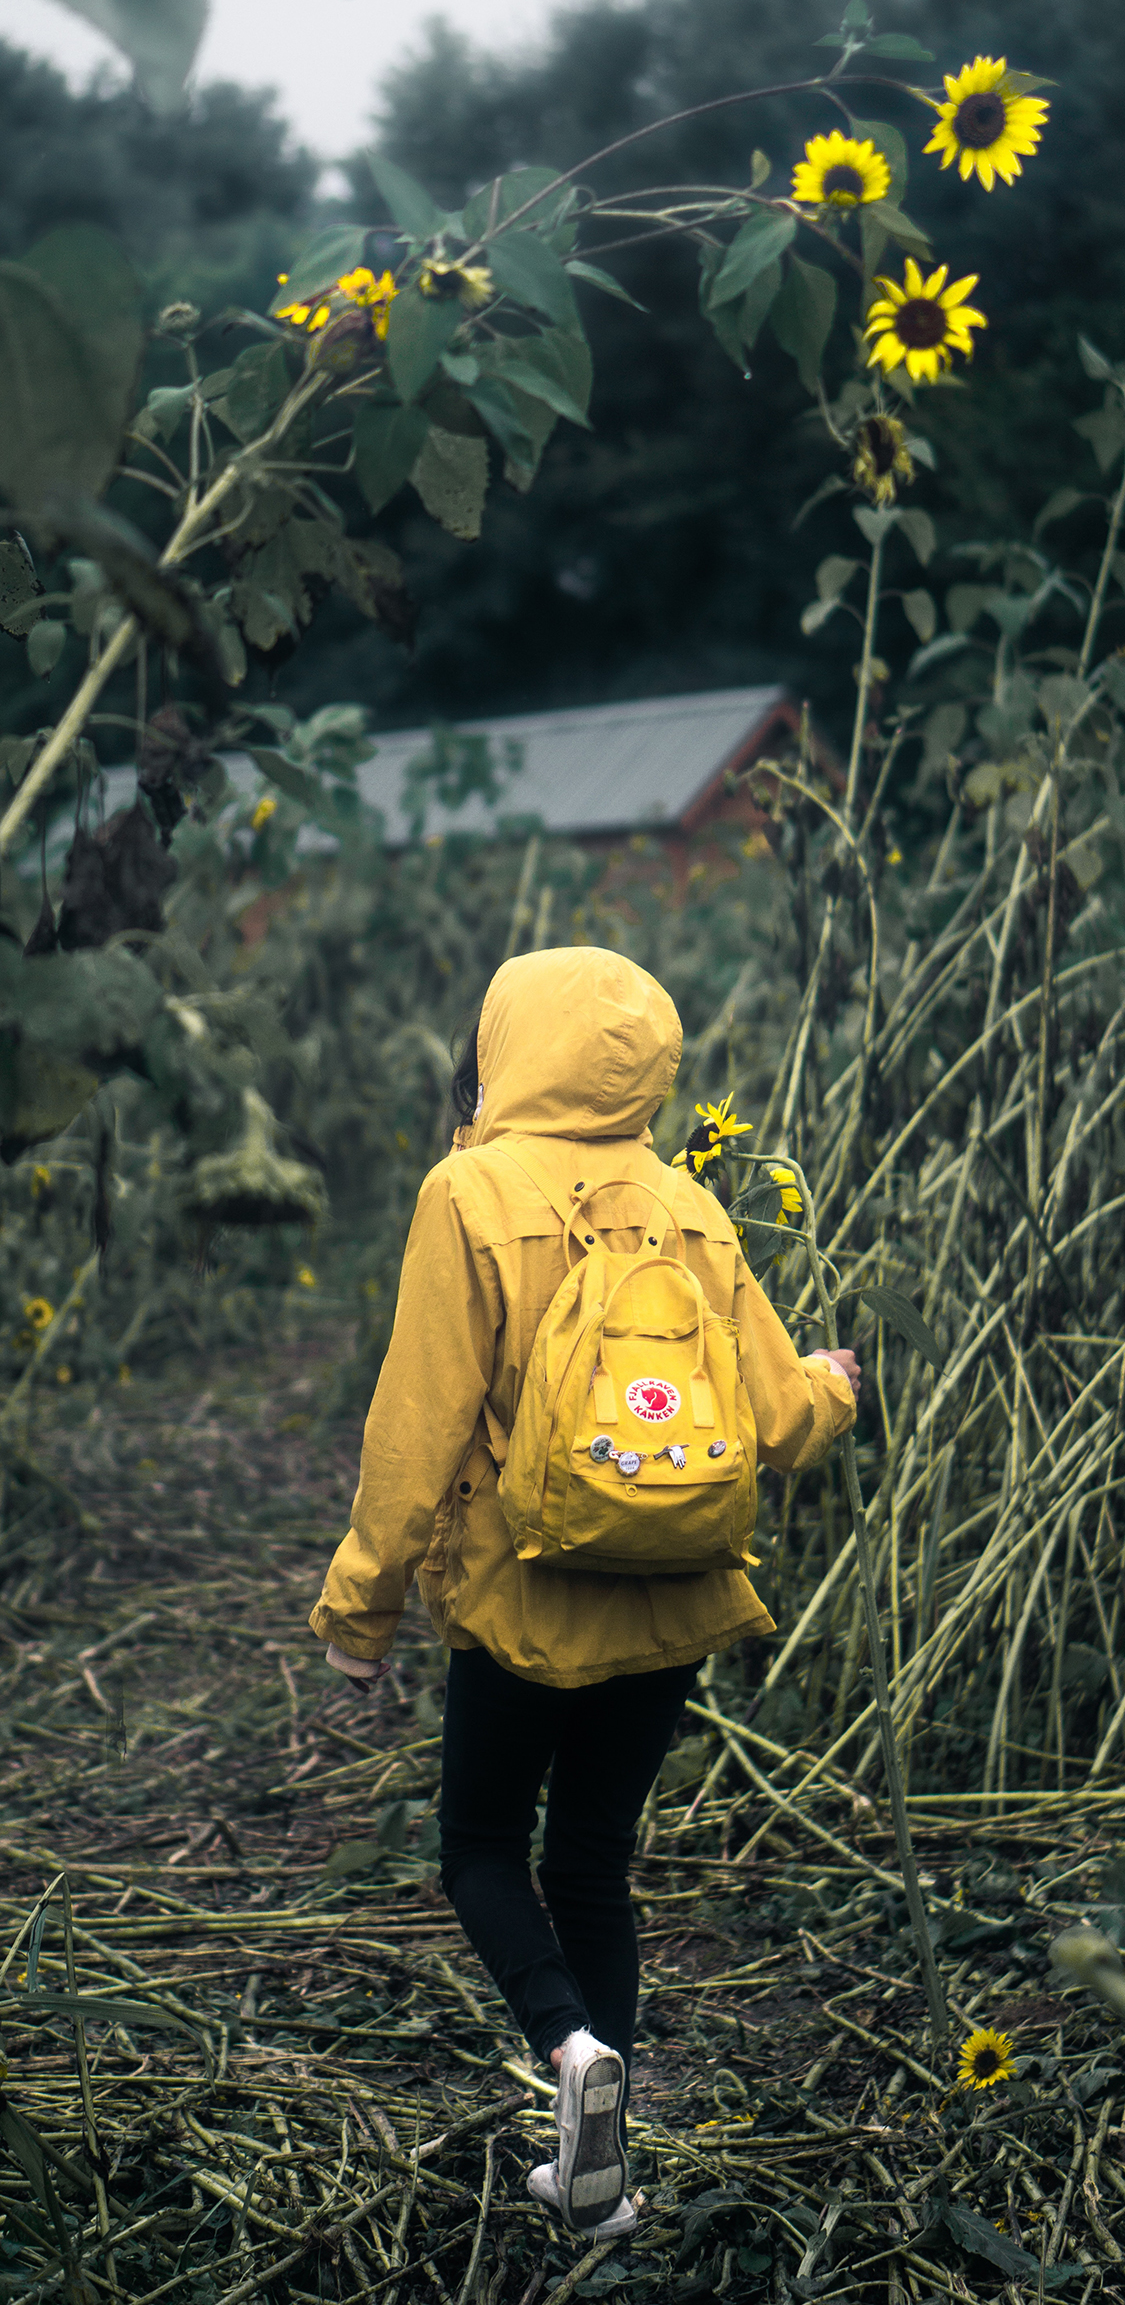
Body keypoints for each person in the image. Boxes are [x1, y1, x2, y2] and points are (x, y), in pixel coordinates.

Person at [309, 946, 859, 2241]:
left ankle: (566, 2047)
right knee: (594, 1860)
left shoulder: (468, 1191)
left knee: (481, 1847)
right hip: (672, 1597)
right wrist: (832, 1384)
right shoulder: (688, 1204)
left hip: (522, 1600)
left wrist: (360, 1611)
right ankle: (600, 2168)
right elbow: (776, 1416)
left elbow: (416, 1428)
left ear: (509, 1042)